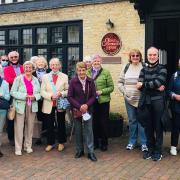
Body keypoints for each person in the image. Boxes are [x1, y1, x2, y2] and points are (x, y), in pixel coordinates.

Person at [137, 47, 167, 161]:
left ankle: (158, 151)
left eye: (154, 55)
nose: (152, 57)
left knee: (158, 127)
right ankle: (150, 150)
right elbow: (140, 86)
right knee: (148, 127)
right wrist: (152, 86)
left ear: (158, 56)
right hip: (146, 101)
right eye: (150, 55)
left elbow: (158, 82)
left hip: (158, 101)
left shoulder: (162, 69)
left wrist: (144, 85)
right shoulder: (143, 69)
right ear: (147, 56)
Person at [118, 49, 147, 151]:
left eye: (137, 55)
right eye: (133, 56)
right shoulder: (126, 67)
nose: (135, 57)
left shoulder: (145, 67)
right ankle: (132, 142)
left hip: (141, 99)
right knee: (132, 121)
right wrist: (125, 92)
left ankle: (143, 143)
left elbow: (149, 80)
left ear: (140, 57)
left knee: (142, 121)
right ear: (130, 58)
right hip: (129, 99)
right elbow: (120, 82)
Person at [68, 62, 97, 162]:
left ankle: (90, 152)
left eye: (83, 70)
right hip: (77, 110)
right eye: (79, 70)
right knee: (78, 131)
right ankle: (79, 150)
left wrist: (86, 105)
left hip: (88, 109)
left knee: (89, 131)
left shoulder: (90, 81)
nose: (81, 72)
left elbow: (94, 96)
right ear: (77, 71)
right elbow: (70, 97)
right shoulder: (73, 81)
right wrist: (79, 106)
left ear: (86, 70)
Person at [10, 61, 41, 156]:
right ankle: (18, 148)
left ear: (33, 69)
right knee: (19, 127)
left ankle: (28, 146)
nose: (28, 69)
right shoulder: (18, 79)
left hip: (32, 105)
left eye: (30, 67)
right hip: (20, 105)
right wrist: (25, 95)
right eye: (26, 67)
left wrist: (35, 97)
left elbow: (39, 93)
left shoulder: (36, 80)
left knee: (30, 127)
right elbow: (12, 92)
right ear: (23, 68)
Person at [87, 54, 114, 151]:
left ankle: (104, 143)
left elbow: (111, 87)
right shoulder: (88, 72)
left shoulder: (106, 72)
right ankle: (95, 143)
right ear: (92, 62)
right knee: (93, 123)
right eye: (94, 61)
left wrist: (101, 91)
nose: (96, 63)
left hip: (103, 101)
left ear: (101, 62)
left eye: (98, 61)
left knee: (103, 122)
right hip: (92, 101)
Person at [41, 58, 68, 152]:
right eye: (52, 65)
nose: (54, 66)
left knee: (61, 123)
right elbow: (42, 91)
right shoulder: (45, 77)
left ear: (59, 66)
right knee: (49, 124)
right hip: (49, 102)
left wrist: (61, 94)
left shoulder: (64, 76)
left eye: (56, 64)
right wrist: (50, 96)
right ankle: (50, 143)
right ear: (50, 66)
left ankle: (61, 142)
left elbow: (68, 90)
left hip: (60, 103)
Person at [4, 51, 24, 145]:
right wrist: (20, 81)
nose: (14, 58)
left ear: (18, 57)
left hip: (23, 95)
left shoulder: (23, 67)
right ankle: (11, 138)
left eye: (15, 56)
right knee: (11, 117)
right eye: (12, 57)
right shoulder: (7, 69)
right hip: (12, 95)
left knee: (22, 116)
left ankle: (21, 136)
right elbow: (8, 80)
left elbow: (27, 78)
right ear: (9, 58)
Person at [32, 56, 49, 144]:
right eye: (39, 63)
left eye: (42, 63)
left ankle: (47, 134)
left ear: (45, 64)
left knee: (47, 116)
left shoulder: (49, 73)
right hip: (38, 99)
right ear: (36, 64)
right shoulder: (33, 73)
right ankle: (39, 136)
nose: (40, 64)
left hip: (47, 98)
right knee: (39, 117)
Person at [168, 59, 180, 156]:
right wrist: (175, 96)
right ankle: (173, 147)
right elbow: (168, 90)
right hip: (177, 107)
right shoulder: (175, 76)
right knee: (176, 127)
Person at [0, 76, 10, 157]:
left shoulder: (5, 83)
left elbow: (8, 97)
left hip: (2, 110)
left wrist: (2, 95)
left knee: (0, 130)